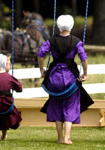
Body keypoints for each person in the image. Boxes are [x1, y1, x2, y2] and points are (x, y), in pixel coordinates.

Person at [37, 15, 94, 145]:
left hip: (54, 76)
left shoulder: (51, 40)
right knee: (70, 106)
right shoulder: (76, 41)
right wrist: (85, 73)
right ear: (71, 26)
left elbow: (40, 54)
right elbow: (84, 58)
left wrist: (41, 70)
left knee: (57, 107)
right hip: (70, 77)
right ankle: (67, 137)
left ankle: (60, 138)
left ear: (58, 26)